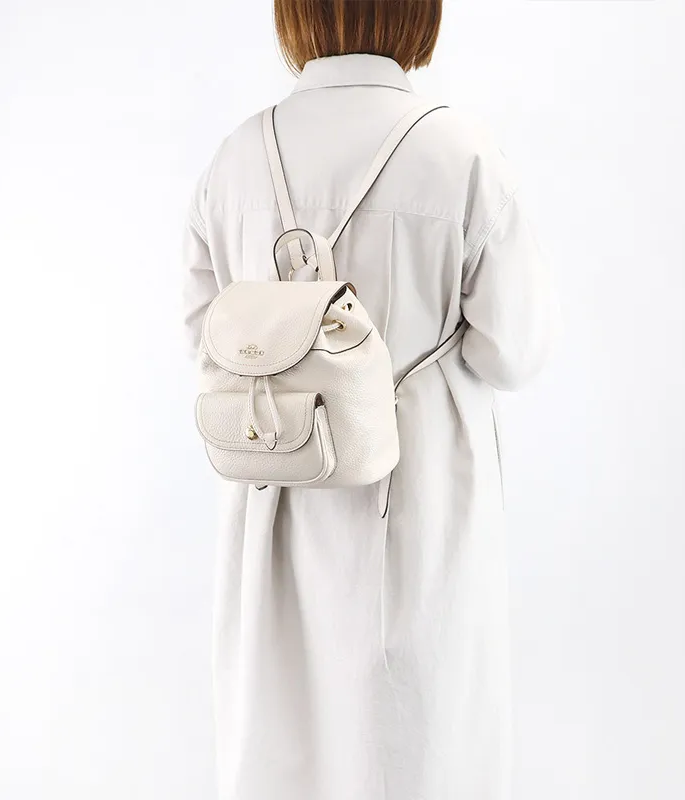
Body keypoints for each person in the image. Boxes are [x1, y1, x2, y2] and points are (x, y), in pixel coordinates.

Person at [182, 2, 559, 798]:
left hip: (273, 497)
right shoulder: (460, 153)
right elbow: (514, 351)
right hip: (417, 502)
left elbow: (204, 339)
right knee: (419, 744)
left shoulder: (238, 157)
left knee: (282, 739)